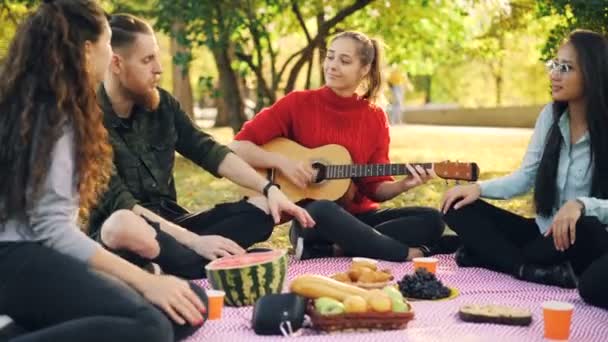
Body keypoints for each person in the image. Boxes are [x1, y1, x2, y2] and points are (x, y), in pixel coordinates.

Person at [0, 1, 209, 341]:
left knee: (187, 305)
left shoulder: (28, 103)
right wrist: (145, 281)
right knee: (150, 327)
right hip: (18, 263)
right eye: (108, 43)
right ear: (86, 51)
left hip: (32, 261)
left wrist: (136, 282)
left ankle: (16, 329)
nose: (111, 54)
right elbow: (51, 230)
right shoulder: (51, 115)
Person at [89, 14, 314, 279]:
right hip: (125, 236)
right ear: (116, 63)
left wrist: (269, 189)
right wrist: (194, 242)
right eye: (147, 60)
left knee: (263, 209)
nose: (159, 68)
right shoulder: (87, 121)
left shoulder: (164, 106)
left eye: (157, 57)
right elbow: (122, 204)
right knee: (123, 227)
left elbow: (207, 150)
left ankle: (169, 268)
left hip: (173, 225)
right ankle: (202, 261)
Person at [230, 31, 446, 262]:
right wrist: (285, 163)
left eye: (344, 61)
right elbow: (237, 147)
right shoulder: (297, 103)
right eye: (330, 57)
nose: (332, 66)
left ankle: (336, 250)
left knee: (433, 219)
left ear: (364, 69)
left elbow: (374, 189)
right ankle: (400, 253)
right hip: (313, 220)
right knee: (323, 208)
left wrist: (405, 184)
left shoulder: (374, 117)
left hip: (360, 219)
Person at [441, 30, 608, 293]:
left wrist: (581, 205)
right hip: (542, 234)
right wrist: (477, 189)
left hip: (583, 237)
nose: (554, 74)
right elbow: (524, 178)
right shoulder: (550, 117)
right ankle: (527, 269)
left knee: (586, 227)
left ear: (592, 72)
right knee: (456, 207)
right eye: (554, 65)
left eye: (566, 68)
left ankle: (493, 256)